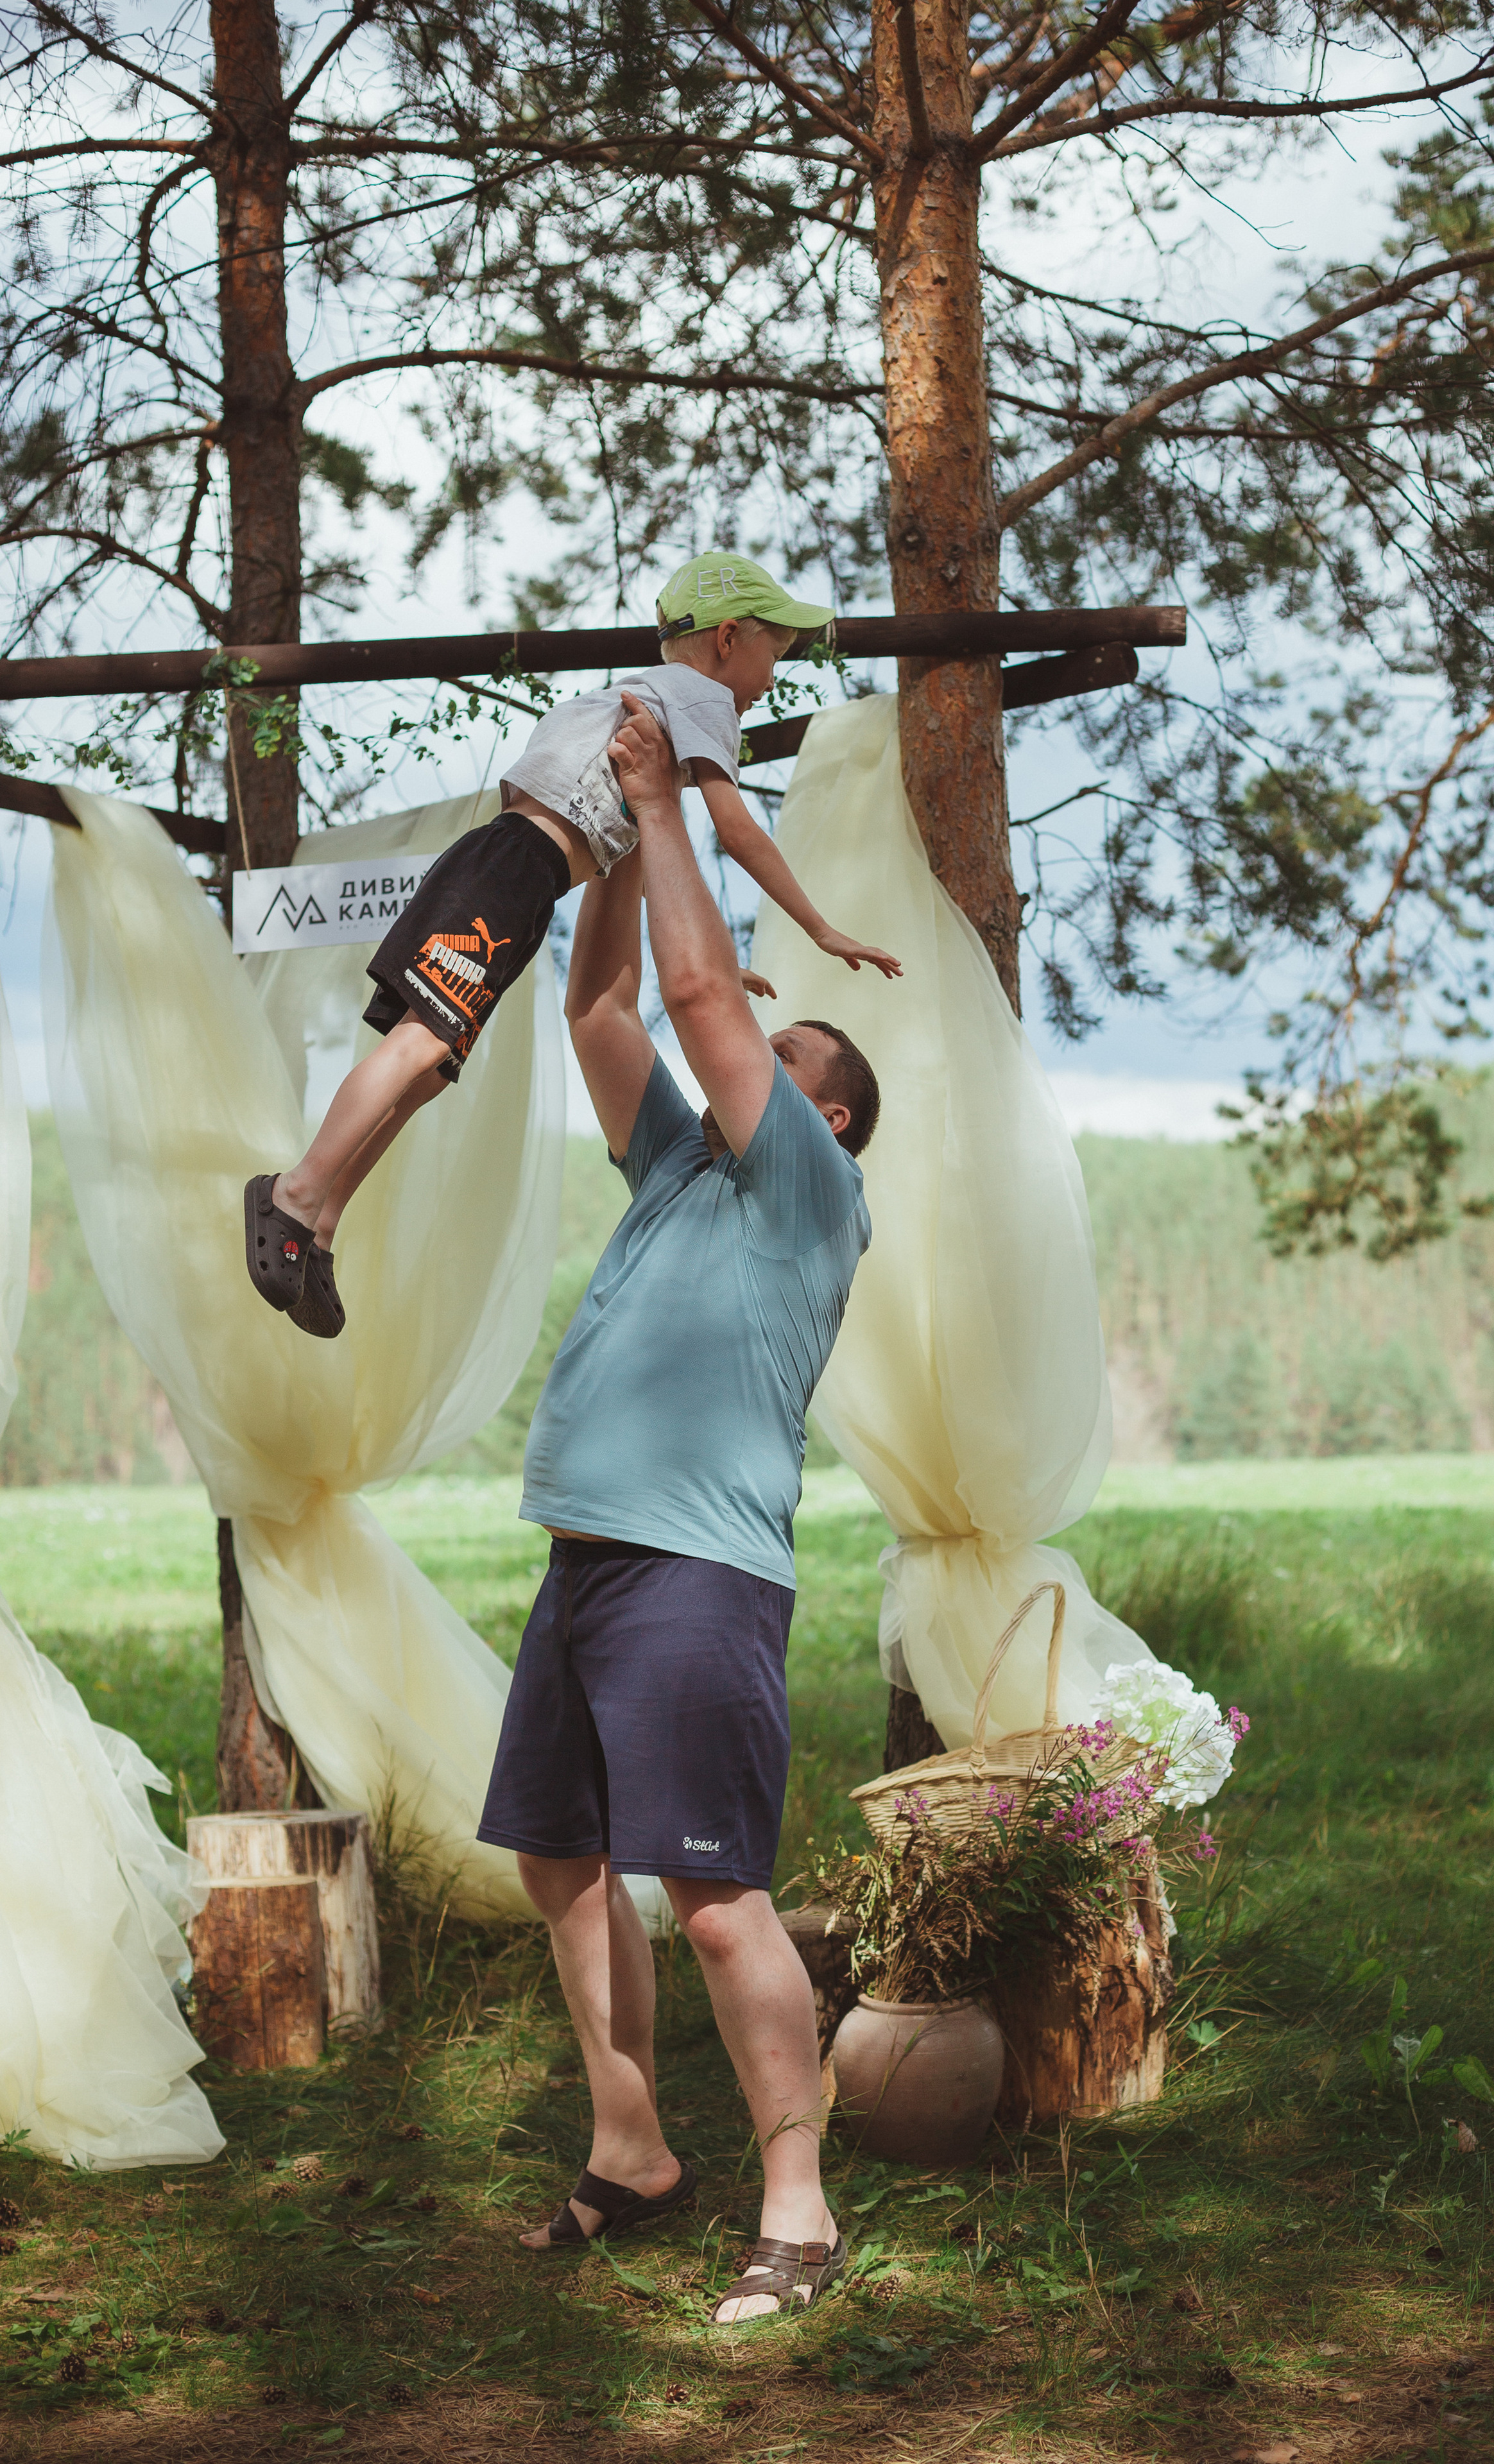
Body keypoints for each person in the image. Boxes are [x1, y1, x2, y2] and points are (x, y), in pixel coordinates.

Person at [476, 694, 876, 2325]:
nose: (751, 1045)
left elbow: (704, 990)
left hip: (700, 1573)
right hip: (586, 1560)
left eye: (784, 1062)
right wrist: (619, 863)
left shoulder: (805, 1189)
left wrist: (660, 800)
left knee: (715, 1902)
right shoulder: (677, 1167)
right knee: (561, 1863)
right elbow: (602, 1003)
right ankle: (631, 2144)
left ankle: (801, 2205)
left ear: (826, 1114)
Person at [241, 552, 898, 1338]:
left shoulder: (644, 711)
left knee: (433, 1070)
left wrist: (721, 960)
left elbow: (658, 865)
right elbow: (734, 830)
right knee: (420, 1049)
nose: (771, 681)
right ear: (729, 638)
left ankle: (320, 1227)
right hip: (514, 868)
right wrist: (818, 926)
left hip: (521, 879)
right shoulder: (702, 700)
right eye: (775, 654)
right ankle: (294, 1193)